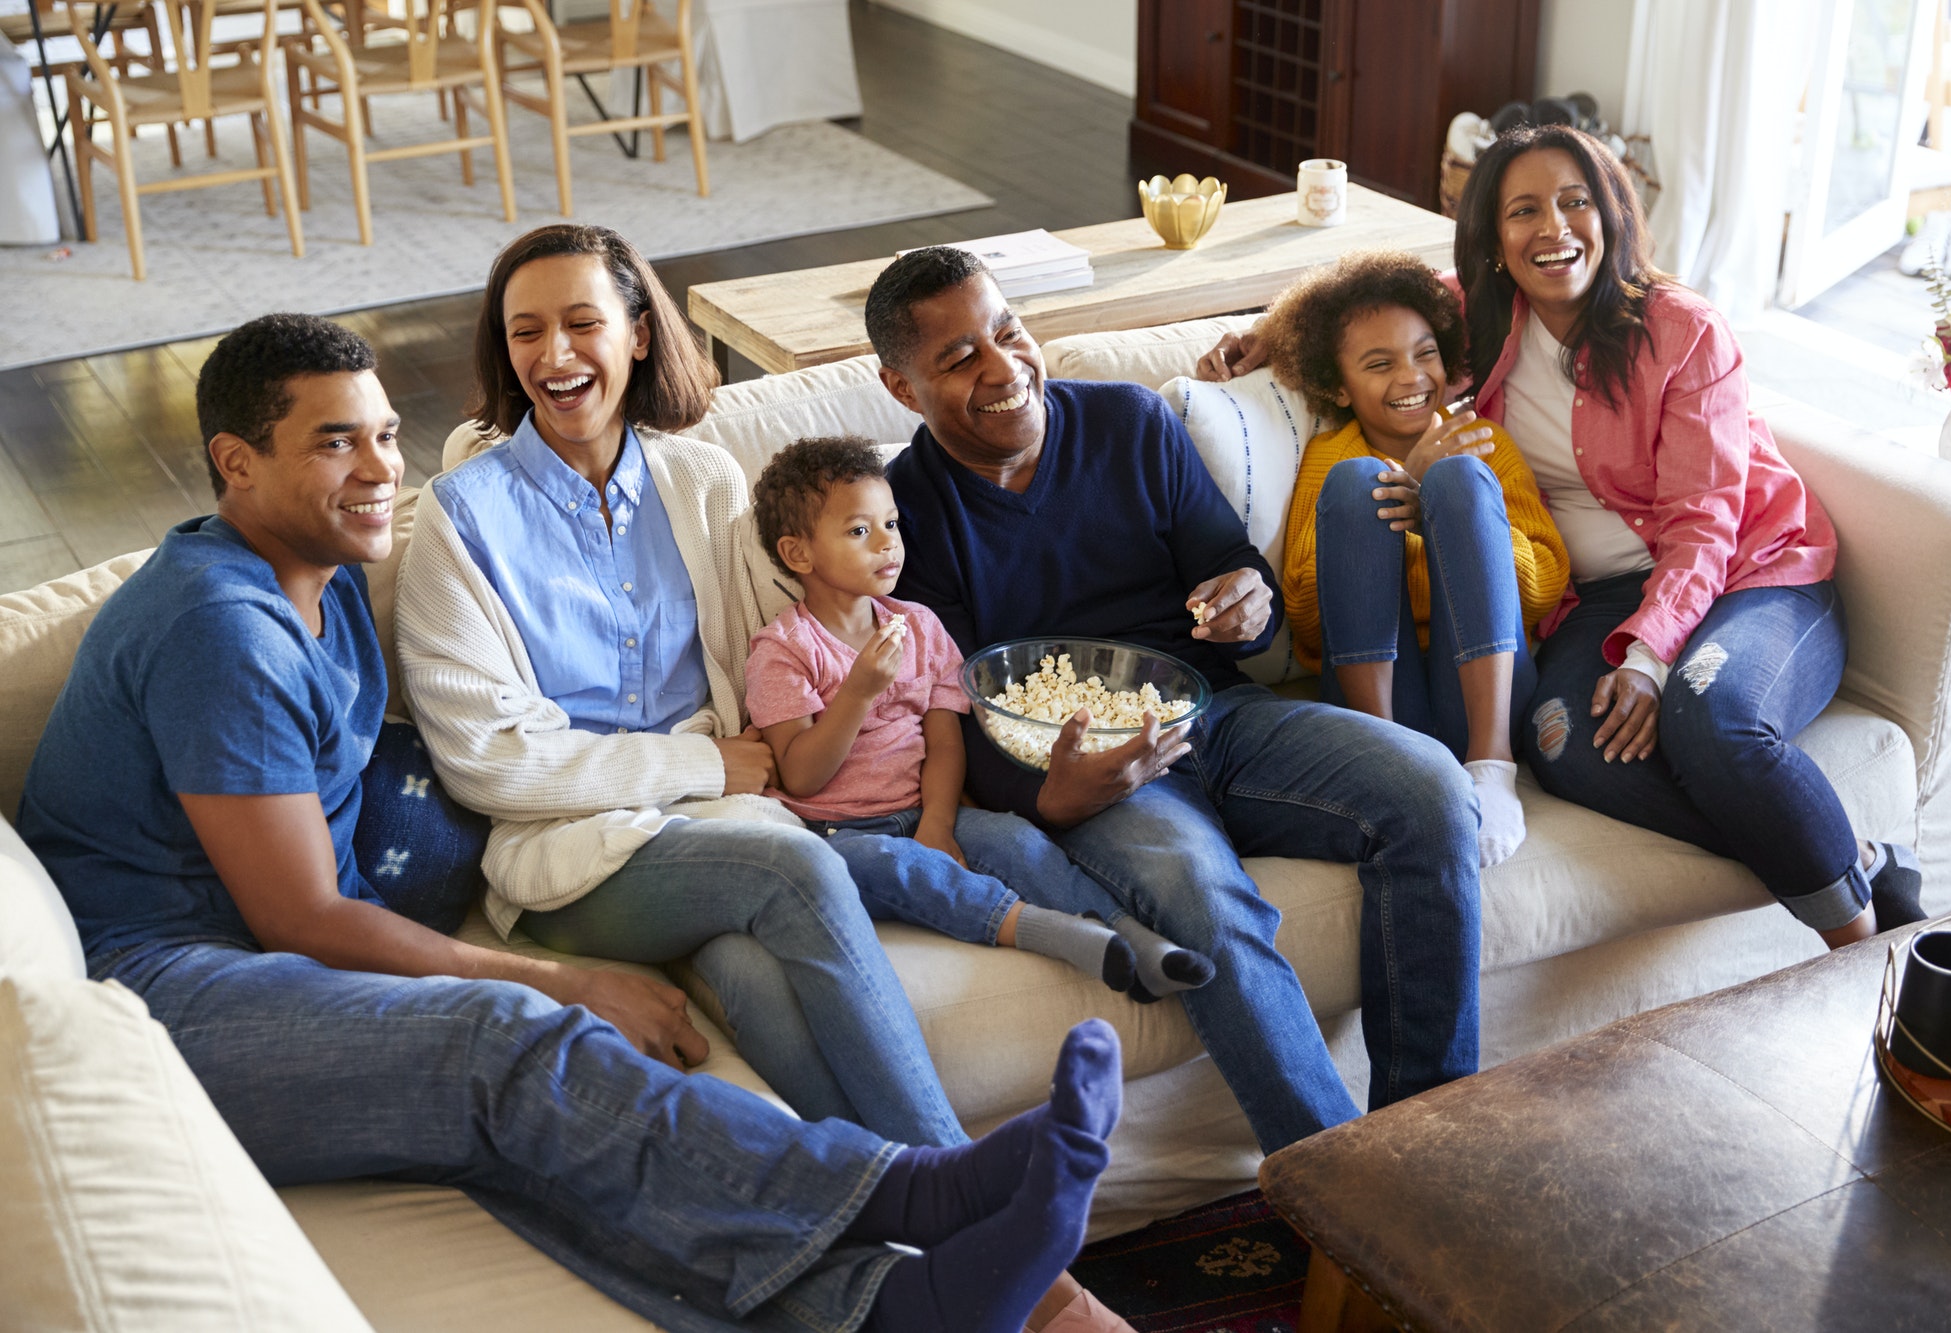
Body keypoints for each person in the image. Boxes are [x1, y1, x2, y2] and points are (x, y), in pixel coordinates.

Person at [14, 311, 1125, 1333]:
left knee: (543, 1145)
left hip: (251, 964)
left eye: (386, 435)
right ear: (235, 462)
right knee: (503, 1038)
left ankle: (895, 1303)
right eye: (334, 443)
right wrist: (560, 978)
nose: (377, 473)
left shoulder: (325, 573)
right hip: (159, 988)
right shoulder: (223, 629)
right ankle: (916, 1187)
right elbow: (301, 913)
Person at [1199, 124, 1924, 948]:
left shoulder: (1686, 333)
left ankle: (1859, 947)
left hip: (1752, 575)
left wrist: (1649, 658)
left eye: (1575, 201)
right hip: (1600, 599)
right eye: (1524, 211)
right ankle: (1842, 849)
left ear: (1612, 212)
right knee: (1563, 743)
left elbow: (1705, 525)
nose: (1554, 228)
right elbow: (1372, 311)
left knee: (1705, 717)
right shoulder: (1484, 318)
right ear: (1495, 240)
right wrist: (1266, 332)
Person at [867, 246, 1485, 1155]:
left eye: (1008, 332)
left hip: (1221, 717)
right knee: (1202, 896)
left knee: (1431, 790)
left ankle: (1428, 1134)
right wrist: (1055, 798)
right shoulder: (901, 517)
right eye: (960, 359)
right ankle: (1339, 1186)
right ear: (899, 385)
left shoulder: (1128, 423)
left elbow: (1228, 562)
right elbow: (949, 711)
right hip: (1096, 776)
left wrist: (1246, 597)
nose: (1004, 369)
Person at [393, 223, 968, 1151]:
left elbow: (776, 643)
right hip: (570, 850)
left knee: (749, 971)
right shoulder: (460, 518)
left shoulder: (701, 481)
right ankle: (967, 1187)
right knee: (799, 866)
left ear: (640, 334)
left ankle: (895, 1209)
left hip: (712, 827)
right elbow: (489, 765)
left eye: (584, 322)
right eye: (525, 332)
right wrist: (701, 762)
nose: (556, 354)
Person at [745, 435, 1214, 996]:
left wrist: (938, 823)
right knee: (897, 868)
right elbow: (800, 774)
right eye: (859, 531)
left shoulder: (918, 625)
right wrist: (858, 692)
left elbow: (944, 741)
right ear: (799, 554)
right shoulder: (783, 650)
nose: (888, 545)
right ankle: (1058, 935)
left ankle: (1138, 944)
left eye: (891, 524)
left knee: (1020, 843)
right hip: (834, 833)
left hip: (921, 809)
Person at [1263, 251, 1569, 867]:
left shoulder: (1482, 441)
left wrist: (1437, 512)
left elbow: (1541, 588)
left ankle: (1492, 766)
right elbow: (1305, 611)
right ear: (1335, 383)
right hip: (1377, 697)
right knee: (1359, 483)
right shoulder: (1329, 456)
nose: (1411, 377)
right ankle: (1385, 767)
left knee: (1459, 479)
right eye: (1379, 364)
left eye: (1425, 353)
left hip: (1482, 693)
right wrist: (1402, 483)